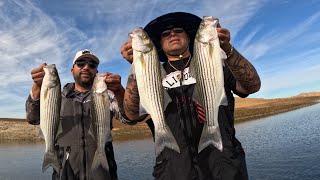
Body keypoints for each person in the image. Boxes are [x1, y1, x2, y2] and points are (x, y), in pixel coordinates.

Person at [120, 12, 261, 180]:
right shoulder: (152, 74)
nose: (172, 34)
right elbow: (132, 114)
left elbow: (252, 86)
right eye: (165, 34)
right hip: (173, 171)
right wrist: (138, 67)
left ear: (189, 37)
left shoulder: (214, 64)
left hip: (226, 166)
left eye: (178, 30)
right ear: (160, 43)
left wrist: (228, 50)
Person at [26, 49, 133, 180]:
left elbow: (129, 119)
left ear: (96, 72)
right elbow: (33, 118)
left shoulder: (108, 95)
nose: (86, 67)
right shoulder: (58, 97)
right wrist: (37, 87)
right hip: (65, 173)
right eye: (81, 63)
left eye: (92, 65)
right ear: (72, 70)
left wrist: (120, 91)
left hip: (103, 174)